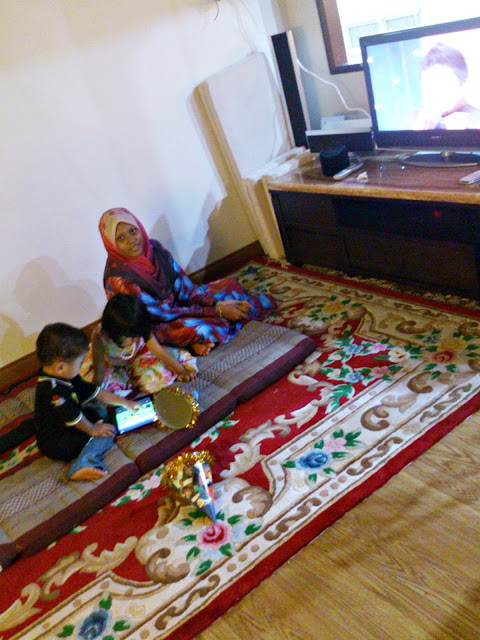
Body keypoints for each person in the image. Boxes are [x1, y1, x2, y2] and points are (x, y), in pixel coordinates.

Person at [98, 208, 278, 355]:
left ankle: (202, 338)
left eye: (133, 231)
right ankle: (193, 342)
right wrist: (217, 311)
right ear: (111, 244)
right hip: (154, 327)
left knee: (231, 286)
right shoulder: (119, 279)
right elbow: (162, 315)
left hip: (178, 308)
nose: (131, 240)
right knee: (200, 328)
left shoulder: (154, 248)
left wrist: (217, 303)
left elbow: (186, 289)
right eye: (121, 238)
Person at [34, 322, 141, 481]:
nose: (81, 366)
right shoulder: (53, 391)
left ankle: (93, 432)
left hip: (68, 423)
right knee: (108, 433)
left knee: (100, 410)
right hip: (58, 442)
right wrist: (92, 429)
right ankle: (82, 465)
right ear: (60, 367)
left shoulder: (65, 375)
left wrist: (124, 402)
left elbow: (93, 391)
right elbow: (73, 416)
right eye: (79, 363)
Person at [80, 293, 197, 393]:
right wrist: (95, 393)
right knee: (106, 389)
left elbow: (159, 352)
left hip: (138, 356)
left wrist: (181, 371)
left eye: (137, 336)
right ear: (114, 332)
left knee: (153, 378)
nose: (135, 340)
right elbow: (99, 371)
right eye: (130, 337)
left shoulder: (140, 327)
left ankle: (134, 378)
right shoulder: (99, 336)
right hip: (111, 365)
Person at [415, 43, 480, 130]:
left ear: (463, 82)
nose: (434, 92)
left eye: (442, 82)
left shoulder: (476, 121)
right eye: (429, 83)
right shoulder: (415, 121)